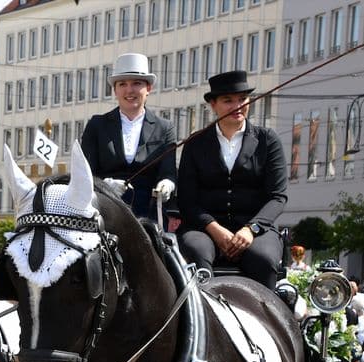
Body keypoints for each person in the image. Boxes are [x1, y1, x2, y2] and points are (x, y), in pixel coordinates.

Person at [176, 70, 287, 289]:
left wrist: (251, 229)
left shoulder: (268, 140)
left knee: (264, 259)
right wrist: (214, 229)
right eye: (228, 100)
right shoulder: (195, 144)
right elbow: (187, 200)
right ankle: (201, 309)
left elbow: (277, 197)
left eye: (242, 99)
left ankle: (263, 310)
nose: (237, 106)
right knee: (196, 253)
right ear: (213, 104)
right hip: (204, 229)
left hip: (256, 229)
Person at [81, 53, 177, 221]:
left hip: (148, 214)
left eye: (136, 83)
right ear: (115, 90)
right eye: (122, 84)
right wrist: (105, 185)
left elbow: (168, 173)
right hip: (105, 211)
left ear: (148, 88)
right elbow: (85, 173)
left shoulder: (165, 128)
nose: (129, 90)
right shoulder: (97, 125)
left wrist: (167, 185)